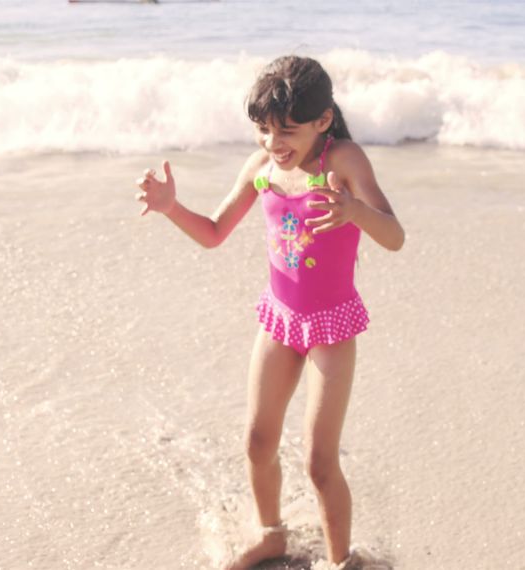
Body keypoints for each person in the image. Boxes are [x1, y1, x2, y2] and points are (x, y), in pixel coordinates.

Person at [135, 55, 405, 569]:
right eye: (263, 130)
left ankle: (339, 560)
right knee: (258, 440)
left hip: (331, 325)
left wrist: (355, 212)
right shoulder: (261, 165)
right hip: (280, 319)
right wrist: (172, 208)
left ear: (323, 120)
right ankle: (271, 534)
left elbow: (395, 236)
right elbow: (214, 233)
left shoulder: (344, 161)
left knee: (320, 463)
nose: (273, 143)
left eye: (287, 131)